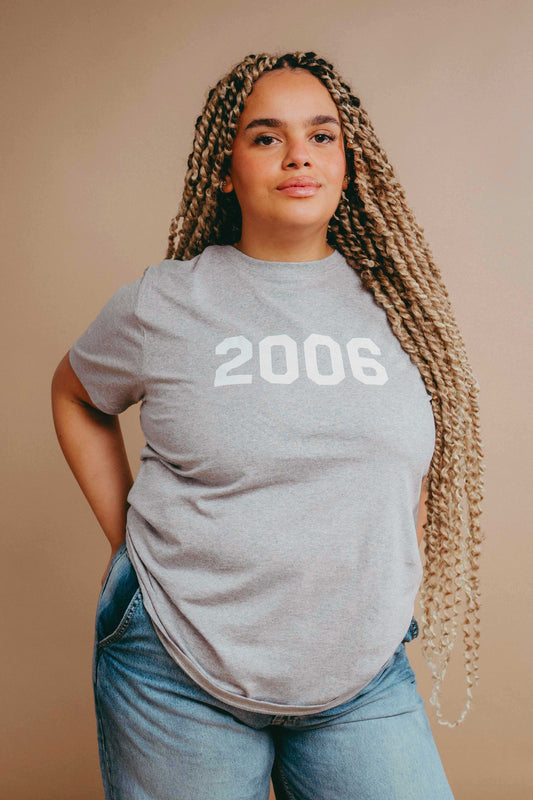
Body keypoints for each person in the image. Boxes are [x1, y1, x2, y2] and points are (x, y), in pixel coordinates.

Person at [51, 51, 484, 800]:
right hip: (177, 670)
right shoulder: (165, 304)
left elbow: (406, 465)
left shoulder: (405, 313)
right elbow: (75, 393)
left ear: (350, 165)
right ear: (225, 168)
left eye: (322, 136)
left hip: (358, 678)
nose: (297, 156)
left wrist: (385, 589)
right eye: (264, 137)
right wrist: (128, 540)